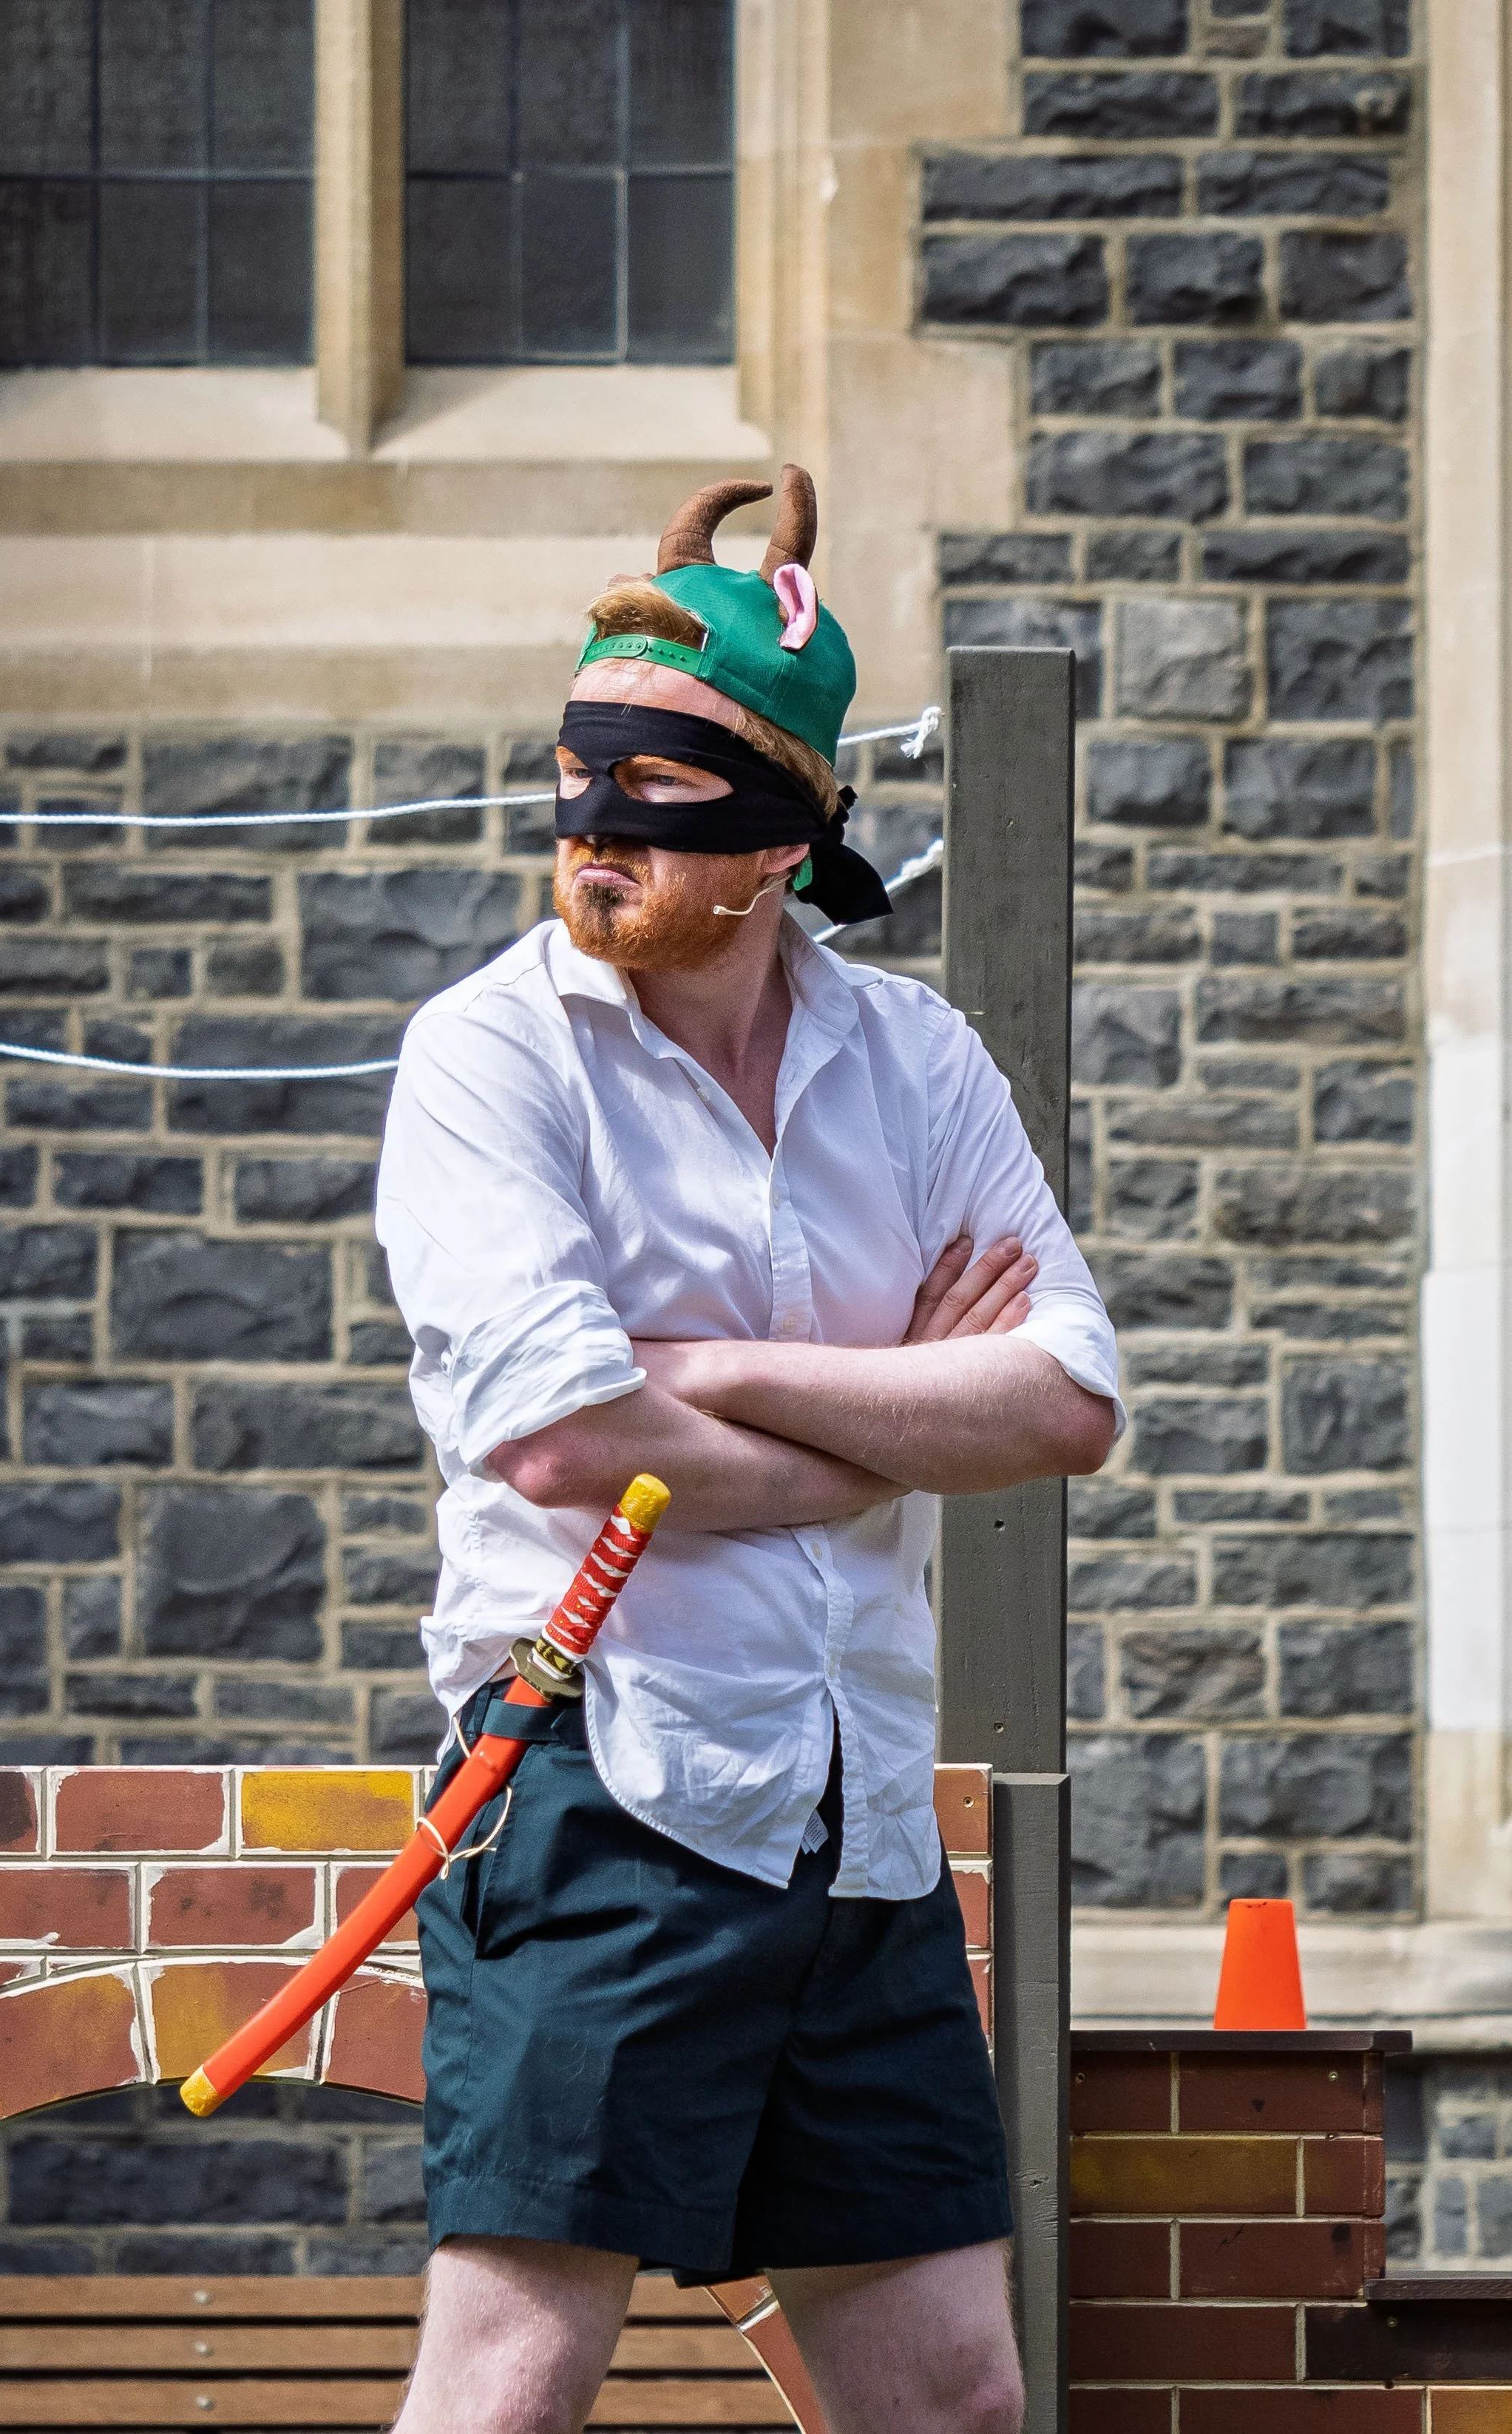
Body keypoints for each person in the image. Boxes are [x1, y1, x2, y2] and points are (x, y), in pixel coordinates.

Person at [374, 469, 1122, 2434]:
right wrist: (878, 1430)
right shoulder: (489, 1057)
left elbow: (1060, 1401)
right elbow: (555, 1437)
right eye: (581, 781)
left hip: (856, 1821)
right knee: (513, 2379)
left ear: (787, 841)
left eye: (669, 795)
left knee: (953, 2390)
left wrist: (716, 1367)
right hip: (604, 1788)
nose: (603, 834)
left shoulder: (912, 1062)